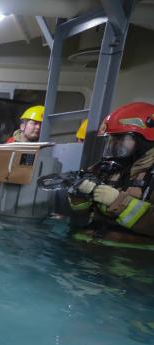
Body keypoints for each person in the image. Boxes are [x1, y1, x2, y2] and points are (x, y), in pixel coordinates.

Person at [68, 102, 154, 247]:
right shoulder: (105, 167)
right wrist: (79, 196)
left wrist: (117, 201)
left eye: (121, 139)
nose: (114, 145)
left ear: (144, 140)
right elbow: (80, 214)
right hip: (89, 245)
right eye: (112, 139)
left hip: (132, 256)